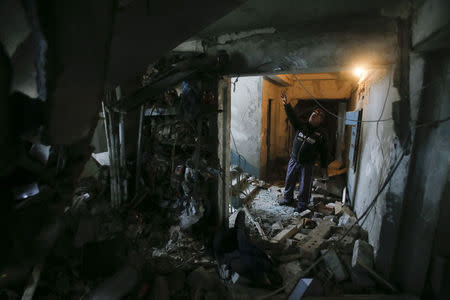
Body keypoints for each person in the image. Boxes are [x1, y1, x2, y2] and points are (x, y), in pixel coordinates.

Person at [279, 91, 328, 212]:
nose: (314, 116)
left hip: (307, 164)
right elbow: (292, 116)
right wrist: (287, 104)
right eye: (313, 114)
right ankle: (287, 199)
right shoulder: (301, 125)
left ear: (321, 121)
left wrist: (324, 168)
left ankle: (302, 205)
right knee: (289, 180)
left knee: (305, 185)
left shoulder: (321, 135)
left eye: (318, 116)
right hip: (294, 160)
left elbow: (324, 152)